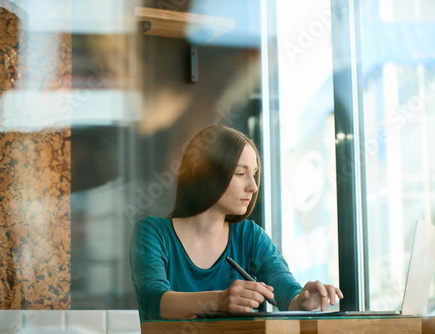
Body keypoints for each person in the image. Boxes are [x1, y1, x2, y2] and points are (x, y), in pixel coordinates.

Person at [130, 125, 343, 320]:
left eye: (254, 174)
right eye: (240, 173)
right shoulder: (153, 233)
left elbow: (287, 294)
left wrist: (305, 301)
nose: (253, 186)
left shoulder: (250, 236)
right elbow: (153, 301)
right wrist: (219, 301)